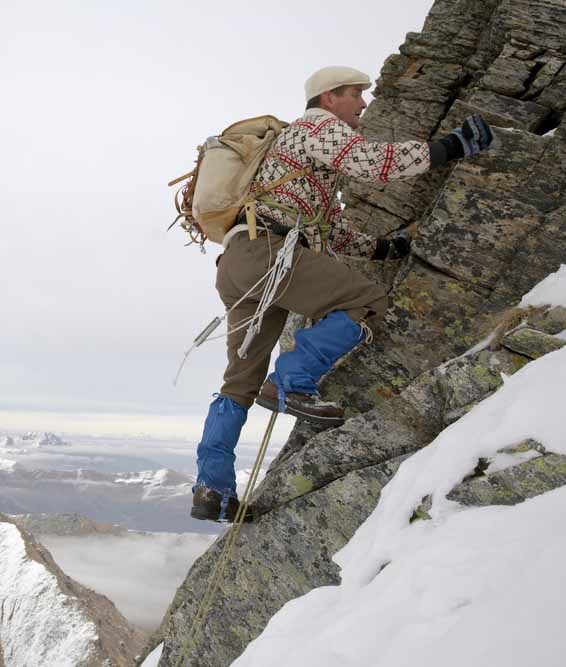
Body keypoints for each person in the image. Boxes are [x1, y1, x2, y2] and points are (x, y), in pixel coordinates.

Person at [191, 65, 494, 522]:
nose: (364, 104)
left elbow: (331, 232)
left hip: (240, 263)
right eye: (356, 94)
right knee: (366, 301)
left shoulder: (297, 156)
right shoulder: (316, 126)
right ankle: (292, 384)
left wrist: (388, 248)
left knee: (239, 381)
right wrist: (451, 146)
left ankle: (211, 489)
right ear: (330, 97)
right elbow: (375, 164)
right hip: (269, 253)